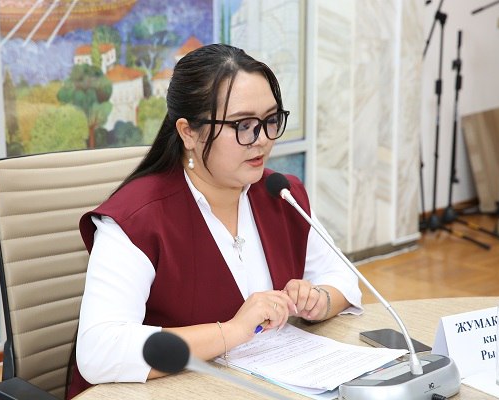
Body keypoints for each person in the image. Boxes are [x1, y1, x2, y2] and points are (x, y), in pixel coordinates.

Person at [66, 43, 362, 399]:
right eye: (243, 125)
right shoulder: (138, 219)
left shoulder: (280, 194)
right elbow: (99, 350)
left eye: (270, 120)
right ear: (188, 132)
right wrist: (232, 331)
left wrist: (318, 299)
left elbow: (343, 278)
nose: (262, 140)